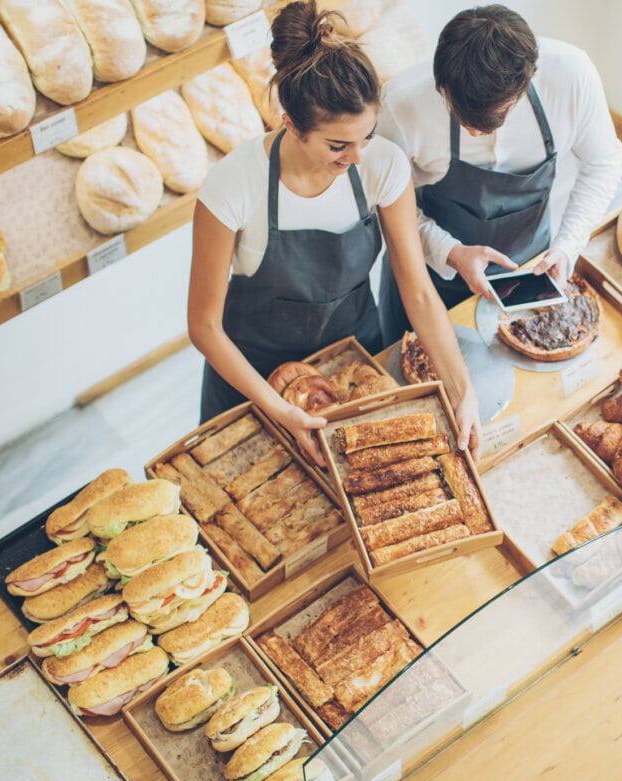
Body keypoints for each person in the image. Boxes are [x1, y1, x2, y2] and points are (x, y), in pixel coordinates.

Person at [188, 1, 480, 461]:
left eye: (365, 137)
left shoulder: (382, 165)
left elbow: (419, 293)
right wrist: (278, 409)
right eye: (337, 145)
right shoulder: (233, 186)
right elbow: (204, 327)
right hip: (253, 382)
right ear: (290, 125)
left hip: (351, 369)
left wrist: (463, 392)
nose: (357, 157)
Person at [376, 4, 622, 344]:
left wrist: (568, 245)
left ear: (525, 83)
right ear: (441, 84)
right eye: (461, 116)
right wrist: (450, 251)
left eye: (495, 117)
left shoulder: (571, 75)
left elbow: (604, 165)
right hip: (429, 281)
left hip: (529, 271)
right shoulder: (400, 106)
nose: (475, 135)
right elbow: (388, 212)